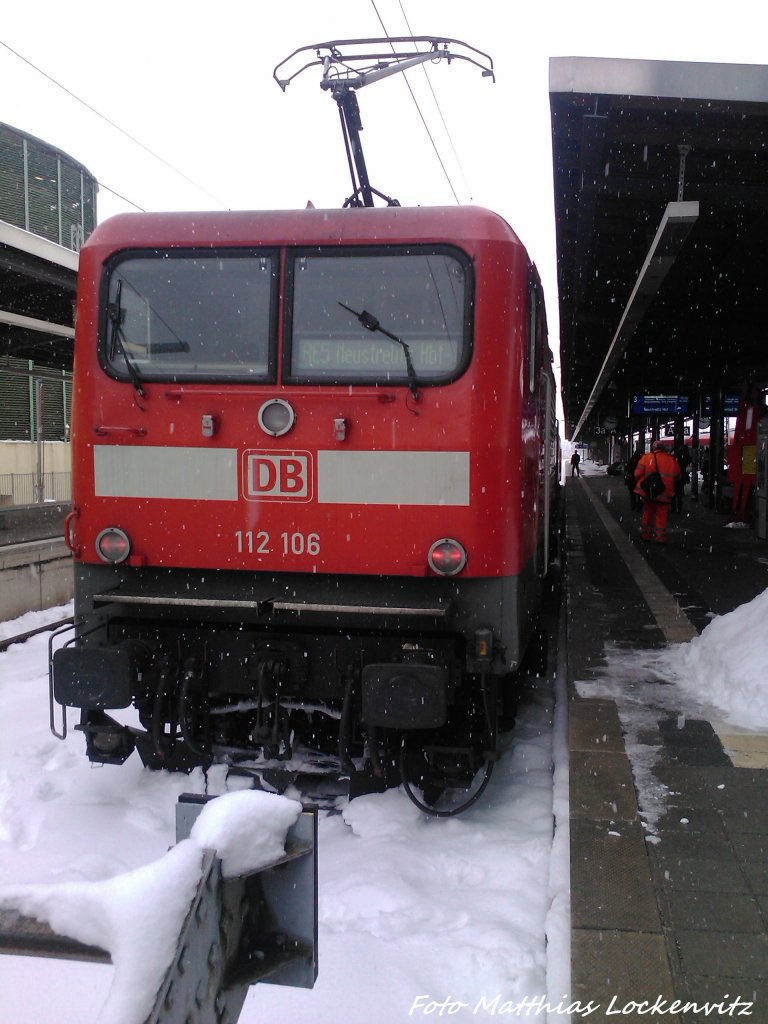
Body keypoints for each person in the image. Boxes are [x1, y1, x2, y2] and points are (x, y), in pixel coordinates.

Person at [634, 440, 681, 544]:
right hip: (665, 492)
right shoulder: (671, 460)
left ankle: (646, 535)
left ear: (654, 448)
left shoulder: (646, 458)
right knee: (662, 516)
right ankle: (660, 538)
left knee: (648, 514)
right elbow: (678, 476)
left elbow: (637, 473)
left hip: (650, 492)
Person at [672, 442, 692, 513]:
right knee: (679, 492)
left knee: (674, 492)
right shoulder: (687, 457)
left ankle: (674, 507)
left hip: (676, 475)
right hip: (683, 475)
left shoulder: (677, 456)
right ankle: (679, 508)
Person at [624, 445, 643, 511]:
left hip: (632, 479)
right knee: (640, 494)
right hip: (640, 479)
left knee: (632, 494)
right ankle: (639, 507)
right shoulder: (642, 460)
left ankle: (633, 506)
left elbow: (626, 468)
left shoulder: (632, 459)